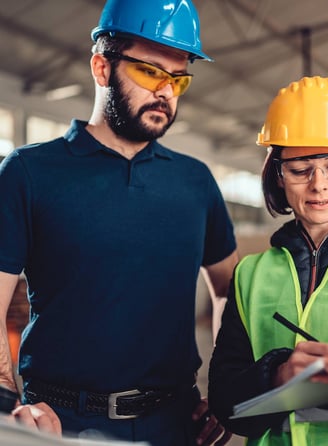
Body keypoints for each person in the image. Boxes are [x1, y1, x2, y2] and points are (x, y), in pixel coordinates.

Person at [0, 0, 239, 444]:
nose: (166, 92)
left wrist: (227, 390)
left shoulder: (195, 181)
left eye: (178, 79)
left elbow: (227, 289)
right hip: (62, 423)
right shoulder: (29, 173)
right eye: (150, 72)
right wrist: (7, 406)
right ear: (101, 68)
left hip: (175, 423)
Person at [208, 75, 328, 445]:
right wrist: (276, 375)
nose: (319, 184)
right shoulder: (251, 274)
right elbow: (224, 402)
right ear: (278, 174)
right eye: (300, 170)